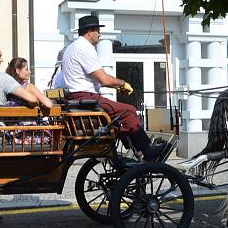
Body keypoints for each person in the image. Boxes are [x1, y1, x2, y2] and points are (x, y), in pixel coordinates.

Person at [61, 15, 166, 161]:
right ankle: (146, 150)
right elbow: (103, 79)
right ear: (89, 31)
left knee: (120, 116)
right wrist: (122, 83)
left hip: (79, 97)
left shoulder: (72, 47)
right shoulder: (84, 48)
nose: (99, 34)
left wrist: (117, 86)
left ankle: (135, 148)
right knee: (129, 111)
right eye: (97, 30)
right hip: (86, 98)